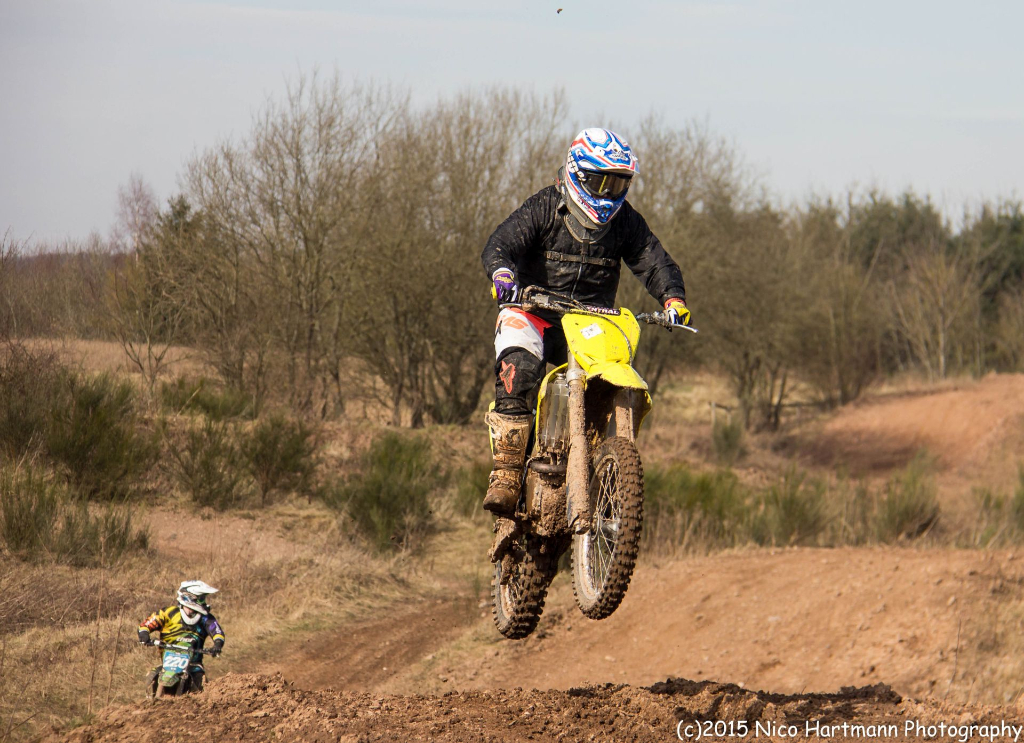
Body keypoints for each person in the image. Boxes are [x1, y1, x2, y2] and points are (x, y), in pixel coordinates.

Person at [480, 127, 691, 515]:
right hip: (533, 310)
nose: (610, 193)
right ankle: (507, 474)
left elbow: (653, 259)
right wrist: (502, 273)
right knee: (519, 367)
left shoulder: (625, 221)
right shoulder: (545, 206)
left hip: (589, 320)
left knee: (607, 381)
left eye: (619, 183)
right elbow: (501, 243)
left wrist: (672, 297)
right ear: (578, 174)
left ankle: (604, 472)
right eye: (602, 181)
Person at [138, 580, 225, 693]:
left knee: (200, 683)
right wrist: (144, 635)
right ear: (189, 597)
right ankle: (150, 701)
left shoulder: (206, 618)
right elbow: (146, 624)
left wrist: (217, 644)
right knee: (152, 676)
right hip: (168, 665)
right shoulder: (168, 612)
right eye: (201, 599)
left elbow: (217, 632)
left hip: (194, 665)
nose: (203, 602)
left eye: (203, 599)